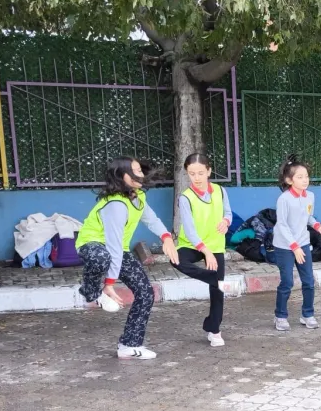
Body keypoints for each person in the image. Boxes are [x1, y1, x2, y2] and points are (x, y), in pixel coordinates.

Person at [75, 156, 179, 360]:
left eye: (140, 169)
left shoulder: (137, 196)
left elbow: (151, 219)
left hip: (117, 249)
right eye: (135, 170)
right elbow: (112, 245)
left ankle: (129, 345)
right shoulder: (116, 204)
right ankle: (91, 291)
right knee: (101, 257)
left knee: (146, 293)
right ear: (122, 176)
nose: (140, 174)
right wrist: (109, 283)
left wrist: (166, 237)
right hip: (93, 244)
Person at [172, 153, 240, 347]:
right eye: (192, 173)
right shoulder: (185, 198)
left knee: (217, 292)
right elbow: (190, 229)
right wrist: (205, 251)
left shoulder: (220, 191)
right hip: (193, 244)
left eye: (201, 173)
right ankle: (215, 279)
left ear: (209, 171)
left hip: (215, 243)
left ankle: (214, 330)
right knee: (176, 259)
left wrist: (226, 222)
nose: (197, 177)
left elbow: (228, 213)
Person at [273, 156, 321, 330]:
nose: (304, 180)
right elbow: (282, 225)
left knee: (308, 281)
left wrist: (320, 228)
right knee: (287, 282)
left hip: (303, 243)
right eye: (299, 177)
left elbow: (308, 217)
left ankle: (307, 314)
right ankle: (280, 316)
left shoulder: (310, 196)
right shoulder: (284, 199)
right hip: (285, 245)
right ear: (289, 180)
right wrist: (294, 247)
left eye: (306, 176)